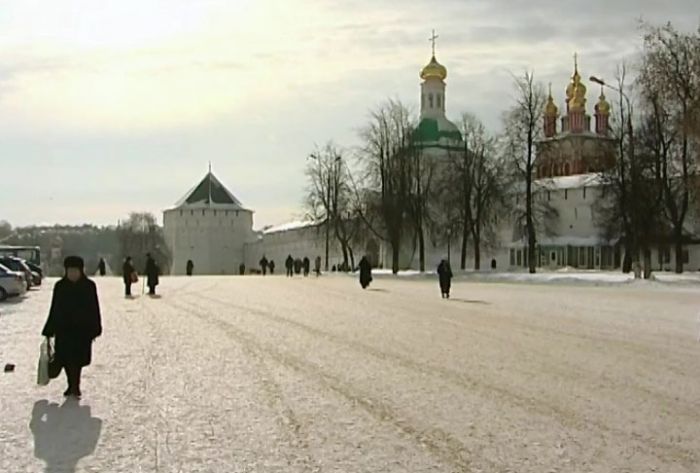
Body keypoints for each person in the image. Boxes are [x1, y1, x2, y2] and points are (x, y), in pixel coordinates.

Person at [41, 256, 102, 398]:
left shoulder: (88, 286)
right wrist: (49, 328)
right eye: (70, 271)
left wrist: (96, 327)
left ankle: (75, 386)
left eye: (75, 271)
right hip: (64, 330)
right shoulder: (60, 286)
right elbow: (54, 308)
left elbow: (94, 308)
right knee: (66, 359)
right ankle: (72, 386)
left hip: (82, 331)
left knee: (78, 360)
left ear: (81, 271)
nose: (72, 274)